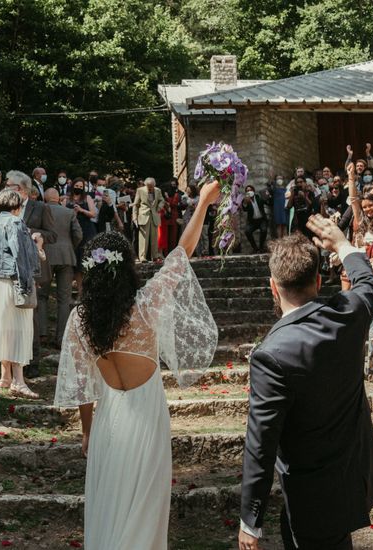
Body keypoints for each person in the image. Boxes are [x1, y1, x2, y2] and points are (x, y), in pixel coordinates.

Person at [54, 180, 222, 550]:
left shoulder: (79, 321)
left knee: (110, 502)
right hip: (145, 417)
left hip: (107, 424)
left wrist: (85, 432)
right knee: (145, 504)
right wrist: (205, 203)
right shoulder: (145, 305)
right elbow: (183, 251)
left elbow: (82, 387)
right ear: (126, 269)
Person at [238, 217, 373, 550]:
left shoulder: (270, 354)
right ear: (319, 281)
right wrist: (343, 243)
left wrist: (251, 519)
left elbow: (261, 442)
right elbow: (367, 282)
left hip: (311, 494)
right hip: (353, 475)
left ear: (273, 286)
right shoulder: (349, 315)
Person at [0, 186, 45, 399]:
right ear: (17, 206)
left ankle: (4, 377)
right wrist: (28, 281)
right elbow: (21, 255)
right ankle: (18, 380)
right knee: (19, 328)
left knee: (3, 327)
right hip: (14, 279)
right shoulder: (16, 222)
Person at [8, 173, 57, 376]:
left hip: (33, 268)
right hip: (9, 266)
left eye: (10, 185)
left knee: (31, 316)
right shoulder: (5, 207)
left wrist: (33, 232)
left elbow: (52, 235)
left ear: (23, 189)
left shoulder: (41, 208)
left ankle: (32, 361)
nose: (6, 188)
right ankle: (12, 360)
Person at [42, 188, 83, 347]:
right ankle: (62, 338)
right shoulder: (69, 212)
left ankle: (42, 335)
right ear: (58, 198)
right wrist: (69, 246)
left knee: (42, 296)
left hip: (45, 255)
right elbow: (78, 234)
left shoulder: (41, 210)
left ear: (45, 198)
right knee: (64, 299)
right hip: (66, 256)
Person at [70, 179, 98, 291]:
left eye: (81, 186)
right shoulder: (67, 198)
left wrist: (81, 210)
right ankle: (80, 292)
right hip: (73, 233)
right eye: (76, 185)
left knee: (86, 260)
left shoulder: (87, 198)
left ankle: (89, 290)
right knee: (76, 264)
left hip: (87, 231)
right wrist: (73, 213)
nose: (78, 187)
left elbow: (93, 214)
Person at [133, 177, 165, 262]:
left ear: (154, 185)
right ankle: (142, 256)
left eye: (151, 186)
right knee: (143, 237)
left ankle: (154, 256)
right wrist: (134, 217)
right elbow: (135, 204)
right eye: (148, 186)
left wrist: (159, 207)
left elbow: (162, 200)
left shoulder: (158, 190)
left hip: (154, 215)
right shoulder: (140, 190)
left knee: (154, 237)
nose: (150, 188)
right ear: (145, 185)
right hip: (144, 216)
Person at [242, 184, 268, 253]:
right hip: (252, 222)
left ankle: (261, 247)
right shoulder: (245, 200)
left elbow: (267, 202)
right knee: (247, 231)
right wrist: (245, 203)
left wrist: (268, 196)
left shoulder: (259, 197)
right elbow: (244, 209)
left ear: (253, 191)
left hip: (261, 220)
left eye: (250, 190)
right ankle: (255, 248)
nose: (249, 191)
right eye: (247, 191)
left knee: (264, 230)